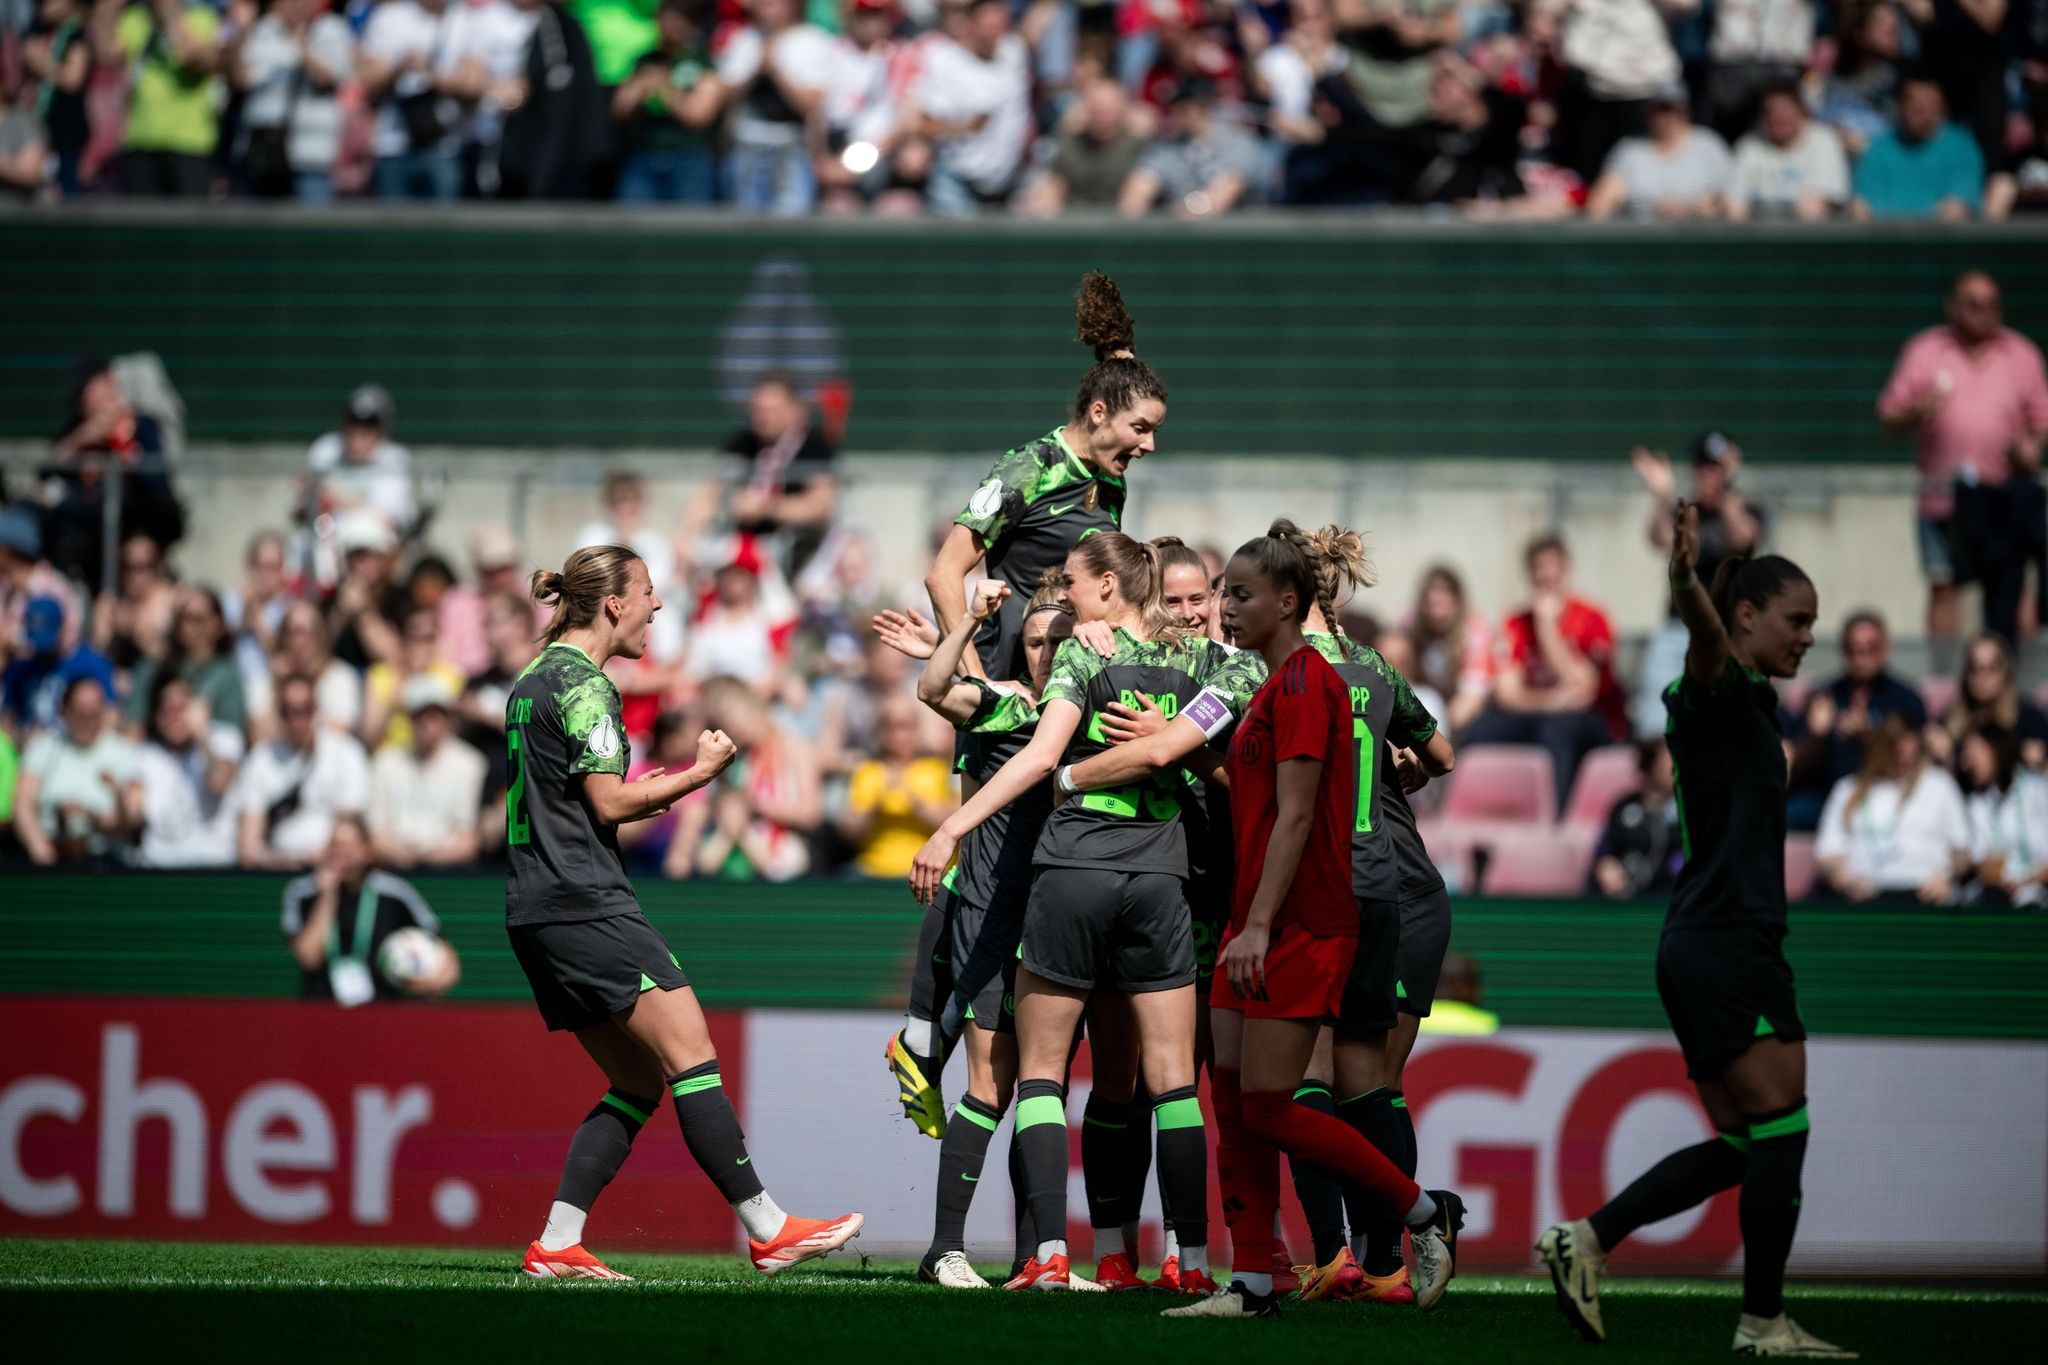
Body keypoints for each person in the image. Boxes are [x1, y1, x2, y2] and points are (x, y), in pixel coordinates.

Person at [1538, 504, 1850, 1358]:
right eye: (1798, 621)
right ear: (1746, 614)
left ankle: (1590, 1239)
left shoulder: (1750, 706)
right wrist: (1682, 579)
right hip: (1728, 939)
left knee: (1748, 1140)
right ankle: (1762, 1322)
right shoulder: (1718, 689)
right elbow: (1706, 642)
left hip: (1705, 937)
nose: (1807, 638)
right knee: (1783, 1128)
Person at [505, 543, 863, 1279]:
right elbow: (608, 801)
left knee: (638, 1080)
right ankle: (768, 1227)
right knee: (691, 1053)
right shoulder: (584, 686)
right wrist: (699, 774)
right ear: (614, 604)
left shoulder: (529, 680)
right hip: (584, 899)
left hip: (534, 905)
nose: (658, 606)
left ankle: (559, 1241)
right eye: (649, 593)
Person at [908, 533, 1249, 1294]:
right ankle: (1193, 1263)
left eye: (1074, 586)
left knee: (1038, 1076)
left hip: (1069, 873)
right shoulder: (1204, 664)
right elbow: (1239, 676)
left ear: (1105, 585)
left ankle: (1054, 1256)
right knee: (1173, 1084)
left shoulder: (1082, 659)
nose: (1064, 601)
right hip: (1160, 879)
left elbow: (1037, 760)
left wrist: (952, 826)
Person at [1161, 526, 1465, 1320]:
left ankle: (1422, 1216)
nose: (1225, 607)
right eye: (1224, 591)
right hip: (1254, 918)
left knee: (1269, 1102)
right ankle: (1253, 1283)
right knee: (1230, 1097)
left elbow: (1297, 820)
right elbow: (1258, 798)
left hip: (1298, 922)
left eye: (1240, 592)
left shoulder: (1303, 685)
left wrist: (1259, 925)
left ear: (1288, 601)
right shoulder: (1269, 686)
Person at [892, 572, 1074, 1287]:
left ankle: (1040, 1260)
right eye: (1032, 639)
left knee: (1042, 1088)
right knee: (991, 1085)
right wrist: (964, 622)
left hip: (1060, 922)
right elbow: (935, 691)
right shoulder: (1011, 706)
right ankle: (945, 1248)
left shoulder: (1091, 706)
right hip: (995, 918)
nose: (1043, 651)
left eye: (1056, 638)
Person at [922, 270, 1164, 688]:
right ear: (1099, 413)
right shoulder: (1029, 468)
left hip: (1071, 691)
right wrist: (981, 682)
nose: (1149, 445)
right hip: (1011, 689)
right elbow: (943, 574)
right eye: (1140, 428)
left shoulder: (1109, 478)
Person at [1876, 271, 2048, 650]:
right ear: (1953, 306)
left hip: (2005, 500)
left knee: (2012, 585)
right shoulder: (1925, 351)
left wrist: (2032, 445)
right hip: (1943, 500)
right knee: (1943, 587)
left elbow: (2042, 421)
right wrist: (1917, 409)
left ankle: (2016, 676)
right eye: (1973, 304)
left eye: (1991, 305)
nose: (1983, 313)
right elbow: (1888, 413)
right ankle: (1943, 678)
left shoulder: (2022, 354)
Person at [1465, 533, 1626, 799]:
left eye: (1550, 566)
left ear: (1565, 568)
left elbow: (1583, 691)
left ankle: (1555, 820)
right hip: (1540, 712)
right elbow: (1507, 694)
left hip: (1593, 720)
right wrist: (1553, 701)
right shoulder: (1515, 623)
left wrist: (1547, 629)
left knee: (1558, 731)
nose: (1544, 575)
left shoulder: (1593, 618)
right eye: (1537, 567)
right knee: (1480, 729)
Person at [1631, 432, 1765, 736]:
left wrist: (1728, 489)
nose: (1708, 477)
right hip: (1680, 627)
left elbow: (1742, 538)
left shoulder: (1745, 509)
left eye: (1715, 469)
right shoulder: (1685, 511)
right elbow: (1658, 539)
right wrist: (1662, 494)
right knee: (1656, 719)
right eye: (1702, 468)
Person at [283, 814, 460, 1005]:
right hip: (322, 1008)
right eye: (335, 845)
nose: (340, 854)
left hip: (382, 1011)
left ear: (366, 851)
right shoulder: (302, 893)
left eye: (348, 847)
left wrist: (429, 980)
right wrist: (327, 894)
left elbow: (440, 946)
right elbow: (309, 957)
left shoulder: (394, 893)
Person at [1785, 611, 1926, 831]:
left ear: (1885, 649)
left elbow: (1918, 758)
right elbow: (1793, 765)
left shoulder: (1905, 698)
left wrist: (1872, 734)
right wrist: (1817, 734)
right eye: (1854, 650)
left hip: (1887, 792)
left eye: (1870, 649)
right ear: (1844, 651)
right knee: (1786, 814)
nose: (1861, 658)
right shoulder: (1824, 696)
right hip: (1827, 795)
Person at [1815, 715, 1972, 903]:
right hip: (1864, 897)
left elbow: (1962, 850)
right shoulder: (1848, 789)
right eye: (1894, 751)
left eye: (1909, 753)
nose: (1901, 760)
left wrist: (1946, 878)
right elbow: (1828, 852)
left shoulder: (1940, 785)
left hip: (1924, 894)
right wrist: (1843, 880)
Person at [232, 672, 372, 870]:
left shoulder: (346, 752)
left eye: (304, 709)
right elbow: (248, 847)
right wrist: (284, 861)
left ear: (316, 709)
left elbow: (351, 826)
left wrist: (324, 856)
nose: (298, 719)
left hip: (334, 868)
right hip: (275, 871)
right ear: (279, 714)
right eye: (289, 711)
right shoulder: (259, 760)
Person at [909, 0, 1032, 215]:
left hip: (1008, 181)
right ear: (971, 25)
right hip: (956, 181)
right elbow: (923, 124)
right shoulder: (943, 58)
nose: (994, 34)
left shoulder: (1015, 52)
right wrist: (965, 127)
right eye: (988, 26)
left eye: (1000, 26)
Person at [359, 0, 491, 201]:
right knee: (393, 228)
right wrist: (400, 67)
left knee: (445, 229)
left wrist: (430, 73)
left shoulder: (467, 20)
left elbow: (473, 85)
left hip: (446, 145)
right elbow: (369, 81)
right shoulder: (389, 17)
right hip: (393, 143)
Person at [715, 375, 840, 578]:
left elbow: (819, 506)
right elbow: (711, 491)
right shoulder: (743, 444)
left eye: (773, 410)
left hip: (798, 549)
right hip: (742, 544)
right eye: (758, 410)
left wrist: (767, 507)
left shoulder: (814, 446)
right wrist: (686, 535)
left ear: (794, 410)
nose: (764, 418)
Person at [716, 0, 833, 215]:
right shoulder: (744, 39)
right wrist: (756, 72)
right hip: (748, 145)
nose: (763, 6)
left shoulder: (813, 40)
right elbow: (725, 95)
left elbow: (811, 103)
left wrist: (776, 72)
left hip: (792, 146)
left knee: (792, 222)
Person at [97, 0, 223, 197]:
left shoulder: (202, 18)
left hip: (188, 144)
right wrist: (108, 7)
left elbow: (197, 61)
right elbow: (105, 54)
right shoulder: (136, 19)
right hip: (140, 141)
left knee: (188, 223)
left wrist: (170, 18)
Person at [12, 676, 140, 866]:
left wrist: (92, 814)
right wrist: (38, 846)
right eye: (82, 714)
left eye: (94, 713)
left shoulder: (123, 752)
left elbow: (133, 819)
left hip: (109, 861)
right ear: (64, 712)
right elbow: (23, 804)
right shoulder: (43, 748)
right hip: (53, 858)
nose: (89, 721)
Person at [236, 0, 355, 201]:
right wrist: (240, 32)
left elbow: (327, 77)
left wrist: (302, 47)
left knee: (312, 230)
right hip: (264, 153)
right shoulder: (264, 28)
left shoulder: (331, 28)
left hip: (311, 157)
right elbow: (241, 79)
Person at [368, 673, 487, 867]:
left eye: (435, 716)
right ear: (410, 720)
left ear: (448, 719)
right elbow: (376, 835)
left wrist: (428, 857)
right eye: (420, 716)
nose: (428, 725)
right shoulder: (386, 762)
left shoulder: (470, 764)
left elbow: (469, 841)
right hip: (394, 866)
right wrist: (399, 853)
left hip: (448, 873)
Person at [613, 0, 723, 203]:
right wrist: (638, 87)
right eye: (662, 21)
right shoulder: (645, 61)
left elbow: (699, 116)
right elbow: (620, 109)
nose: (667, 29)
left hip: (688, 158)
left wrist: (665, 89)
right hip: (644, 154)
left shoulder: (701, 61)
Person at [133, 670, 243, 867]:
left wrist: (201, 735)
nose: (174, 717)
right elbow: (134, 817)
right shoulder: (146, 754)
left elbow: (218, 783)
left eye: (181, 708)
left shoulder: (224, 738)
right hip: (158, 867)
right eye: (167, 710)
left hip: (212, 867)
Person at [838, 693, 954, 878]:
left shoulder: (934, 770)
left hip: (925, 867)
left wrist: (916, 802)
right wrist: (875, 806)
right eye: (891, 727)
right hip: (872, 869)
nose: (900, 736)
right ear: (881, 732)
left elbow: (952, 823)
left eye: (906, 727)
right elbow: (849, 832)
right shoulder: (869, 772)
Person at [1585, 84, 1733, 221]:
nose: (1661, 117)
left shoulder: (1709, 145)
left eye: (1667, 108)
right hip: (1643, 241)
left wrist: (1693, 207)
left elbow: (1731, 203)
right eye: (1654, 109)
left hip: (1700, 238)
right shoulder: (1630, 149)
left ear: (1684, 110)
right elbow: (1599, 205)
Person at [1117, 77, 1260, 218]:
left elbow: (1225, 192)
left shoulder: (1237, 143)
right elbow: (1138, 189)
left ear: (1206, 107)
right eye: (1176, 108)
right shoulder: (1167, 148)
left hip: (1231, 233)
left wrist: (1182, 212)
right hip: (1178, 233)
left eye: (1186, 108)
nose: (1178, 115)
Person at [1850, 75, 1984, 220]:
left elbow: (1958, 208)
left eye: (1933, 109)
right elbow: (1862, 206)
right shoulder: (1877, 147)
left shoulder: (1962, 147)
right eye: (1918, 110)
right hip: (1884, 239)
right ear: (1900, 107)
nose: (1927, 117)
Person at [302, 385, 416, 549]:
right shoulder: (326, 451)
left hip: (375, 545)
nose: (358, 435)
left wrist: (334, 498)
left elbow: (386, 517)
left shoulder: (394, 460)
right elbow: (305, 508)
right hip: (327, 536)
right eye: (353, 424)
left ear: (382, 431)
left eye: (368, 427)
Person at [124, 586, 245, 735]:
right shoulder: (155, 668)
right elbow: (134, 727)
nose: (186, 626)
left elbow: (230, 745)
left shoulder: (227, 677)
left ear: (217, 626)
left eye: (196, 619)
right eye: (182, 617)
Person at [1020, 74, 1148, 215]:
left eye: (1109, 110)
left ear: (1123, 109)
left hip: (1120, 222)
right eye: (1097, 110)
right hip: (1073, 220)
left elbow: (1141, 188)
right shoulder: (1068, 143)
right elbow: (1052, 183)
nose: (1103, 116)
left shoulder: (1139, 145)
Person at [1726, 81, 1850, 222]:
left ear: (1801, 110)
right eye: (1770, 110)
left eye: (1785, 109)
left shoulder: (1823, 140)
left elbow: (1820, 204)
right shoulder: (1749, 144)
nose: (1777, 116)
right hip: (1759, 236)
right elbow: (1734, 203)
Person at [1929, 633, 2048, 772]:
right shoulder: (1952, 720)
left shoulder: (2028, 718)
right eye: (1975, 669)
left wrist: (2041, 760)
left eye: (1992, 668)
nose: (1982, 677)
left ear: (2006, 672)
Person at [1958, 724, 2048, 907]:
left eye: (1973, 753)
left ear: (1994, 749)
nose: (1966, 764)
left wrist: (2027, 881)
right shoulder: (1976, 803)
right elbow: (1980, 859)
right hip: (1996, 895)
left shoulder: (2038, 789)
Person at [1, 594, 115, 735]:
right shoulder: (20, 668)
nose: (41, 651)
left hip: (73, 749)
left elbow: (110, 718)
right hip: (26, 750)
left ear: (62, 628)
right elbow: (7, 719)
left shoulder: (92, 665)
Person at [1403, 563, 1491, 736]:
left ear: (1457, 600)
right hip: (1424, 704)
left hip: (1460, 717)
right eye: (1430, 598)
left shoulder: (1474, 632)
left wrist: (1435, 733)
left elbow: (1472, 696)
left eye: (1443, 595)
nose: (1435, 605)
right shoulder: (1410, 626)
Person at [1589, 737, 1681, 898]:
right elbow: (1604, 847)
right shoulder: (1624, 806)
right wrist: (1606, 865)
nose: (1674, 765)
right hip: (1622, 898)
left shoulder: (1688, 810)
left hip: (1669, 899)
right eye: (1668, 759)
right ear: (1650, 764)